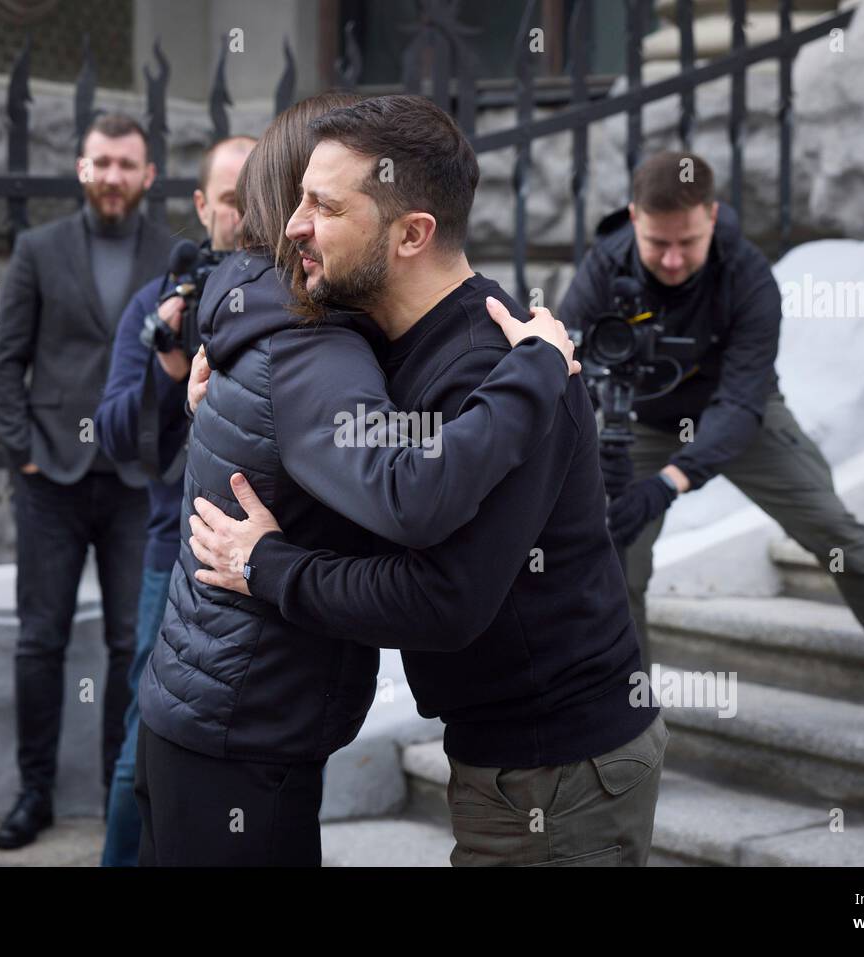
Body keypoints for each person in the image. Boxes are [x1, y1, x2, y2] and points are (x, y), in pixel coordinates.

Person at [189, 94, 667, 868]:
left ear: (412, 233)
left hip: (559, 770)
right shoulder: (395, 336)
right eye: (300, 197)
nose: (292, 226)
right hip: (507, 757)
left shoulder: (491, 366)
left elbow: (444, 603)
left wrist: (266, 566)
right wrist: (219, 363)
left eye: (323, 205)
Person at [557, 150, 864, 754]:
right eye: (656, 242)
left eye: (686, 242)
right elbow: (561, 361)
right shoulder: (603, 268)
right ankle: (628, 716)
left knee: (839, 534)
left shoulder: (747, 275)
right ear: (633, 217)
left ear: (712, 216)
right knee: (619, 560)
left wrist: (667, 484)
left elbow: (740, 406)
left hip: (745, 416)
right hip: (643, 418)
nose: (670, 260)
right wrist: (598, 452)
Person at [0, 113, 174, 850]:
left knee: (132, 641)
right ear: (81, 168)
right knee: (40, 639)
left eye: (128, 164)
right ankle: (33, 791)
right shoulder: (38, 248)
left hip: (135, 480)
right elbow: (5, 361)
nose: (114, 176)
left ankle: (116, 792)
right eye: (102, 162)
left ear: (149, 175)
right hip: (52, 479)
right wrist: (24, 453)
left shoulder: (170, 254)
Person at [93, 133, 256, 867]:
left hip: (273, 557)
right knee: (144, 746)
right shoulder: (162, 300)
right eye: (230, 201)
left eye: (259, 200)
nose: (246, 217)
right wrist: (168, 364)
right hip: (178, 552)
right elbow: (122, 438)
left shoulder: (300, 292)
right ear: (200, 206)